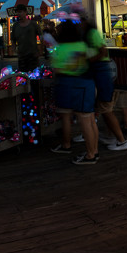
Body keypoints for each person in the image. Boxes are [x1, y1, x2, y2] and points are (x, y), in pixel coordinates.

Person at [76, 5, 127, 151]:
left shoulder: (92, 33)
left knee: (106, 109)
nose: (78, 25)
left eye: (78, 22)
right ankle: (107, 136)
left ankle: (121, 140)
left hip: (101, 74)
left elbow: (102, 51)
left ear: (84, 21)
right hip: (97, 75)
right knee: (100, 108)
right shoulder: (87, 34)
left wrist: (88, 61)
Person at [47, 17, 99, 164]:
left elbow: (56, 69)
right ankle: (94, 151)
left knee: (81, 120)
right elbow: (93, 58)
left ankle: (90, 155)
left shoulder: (60, 49)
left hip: (73, 84)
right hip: (88, 82)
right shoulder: (83, 45)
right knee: (89, 119)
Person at [11, 7, 42, 72]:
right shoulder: (15, 26)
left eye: (20, 11)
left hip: (33, 55)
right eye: (17, 12)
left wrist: (40, 50)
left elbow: (41, 36)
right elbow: (13, 39)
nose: (19, 14)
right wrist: (14, 50)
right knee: (23, 76)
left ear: (25, 12)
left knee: (34, 76)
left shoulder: (33, 24)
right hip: (22, 56)